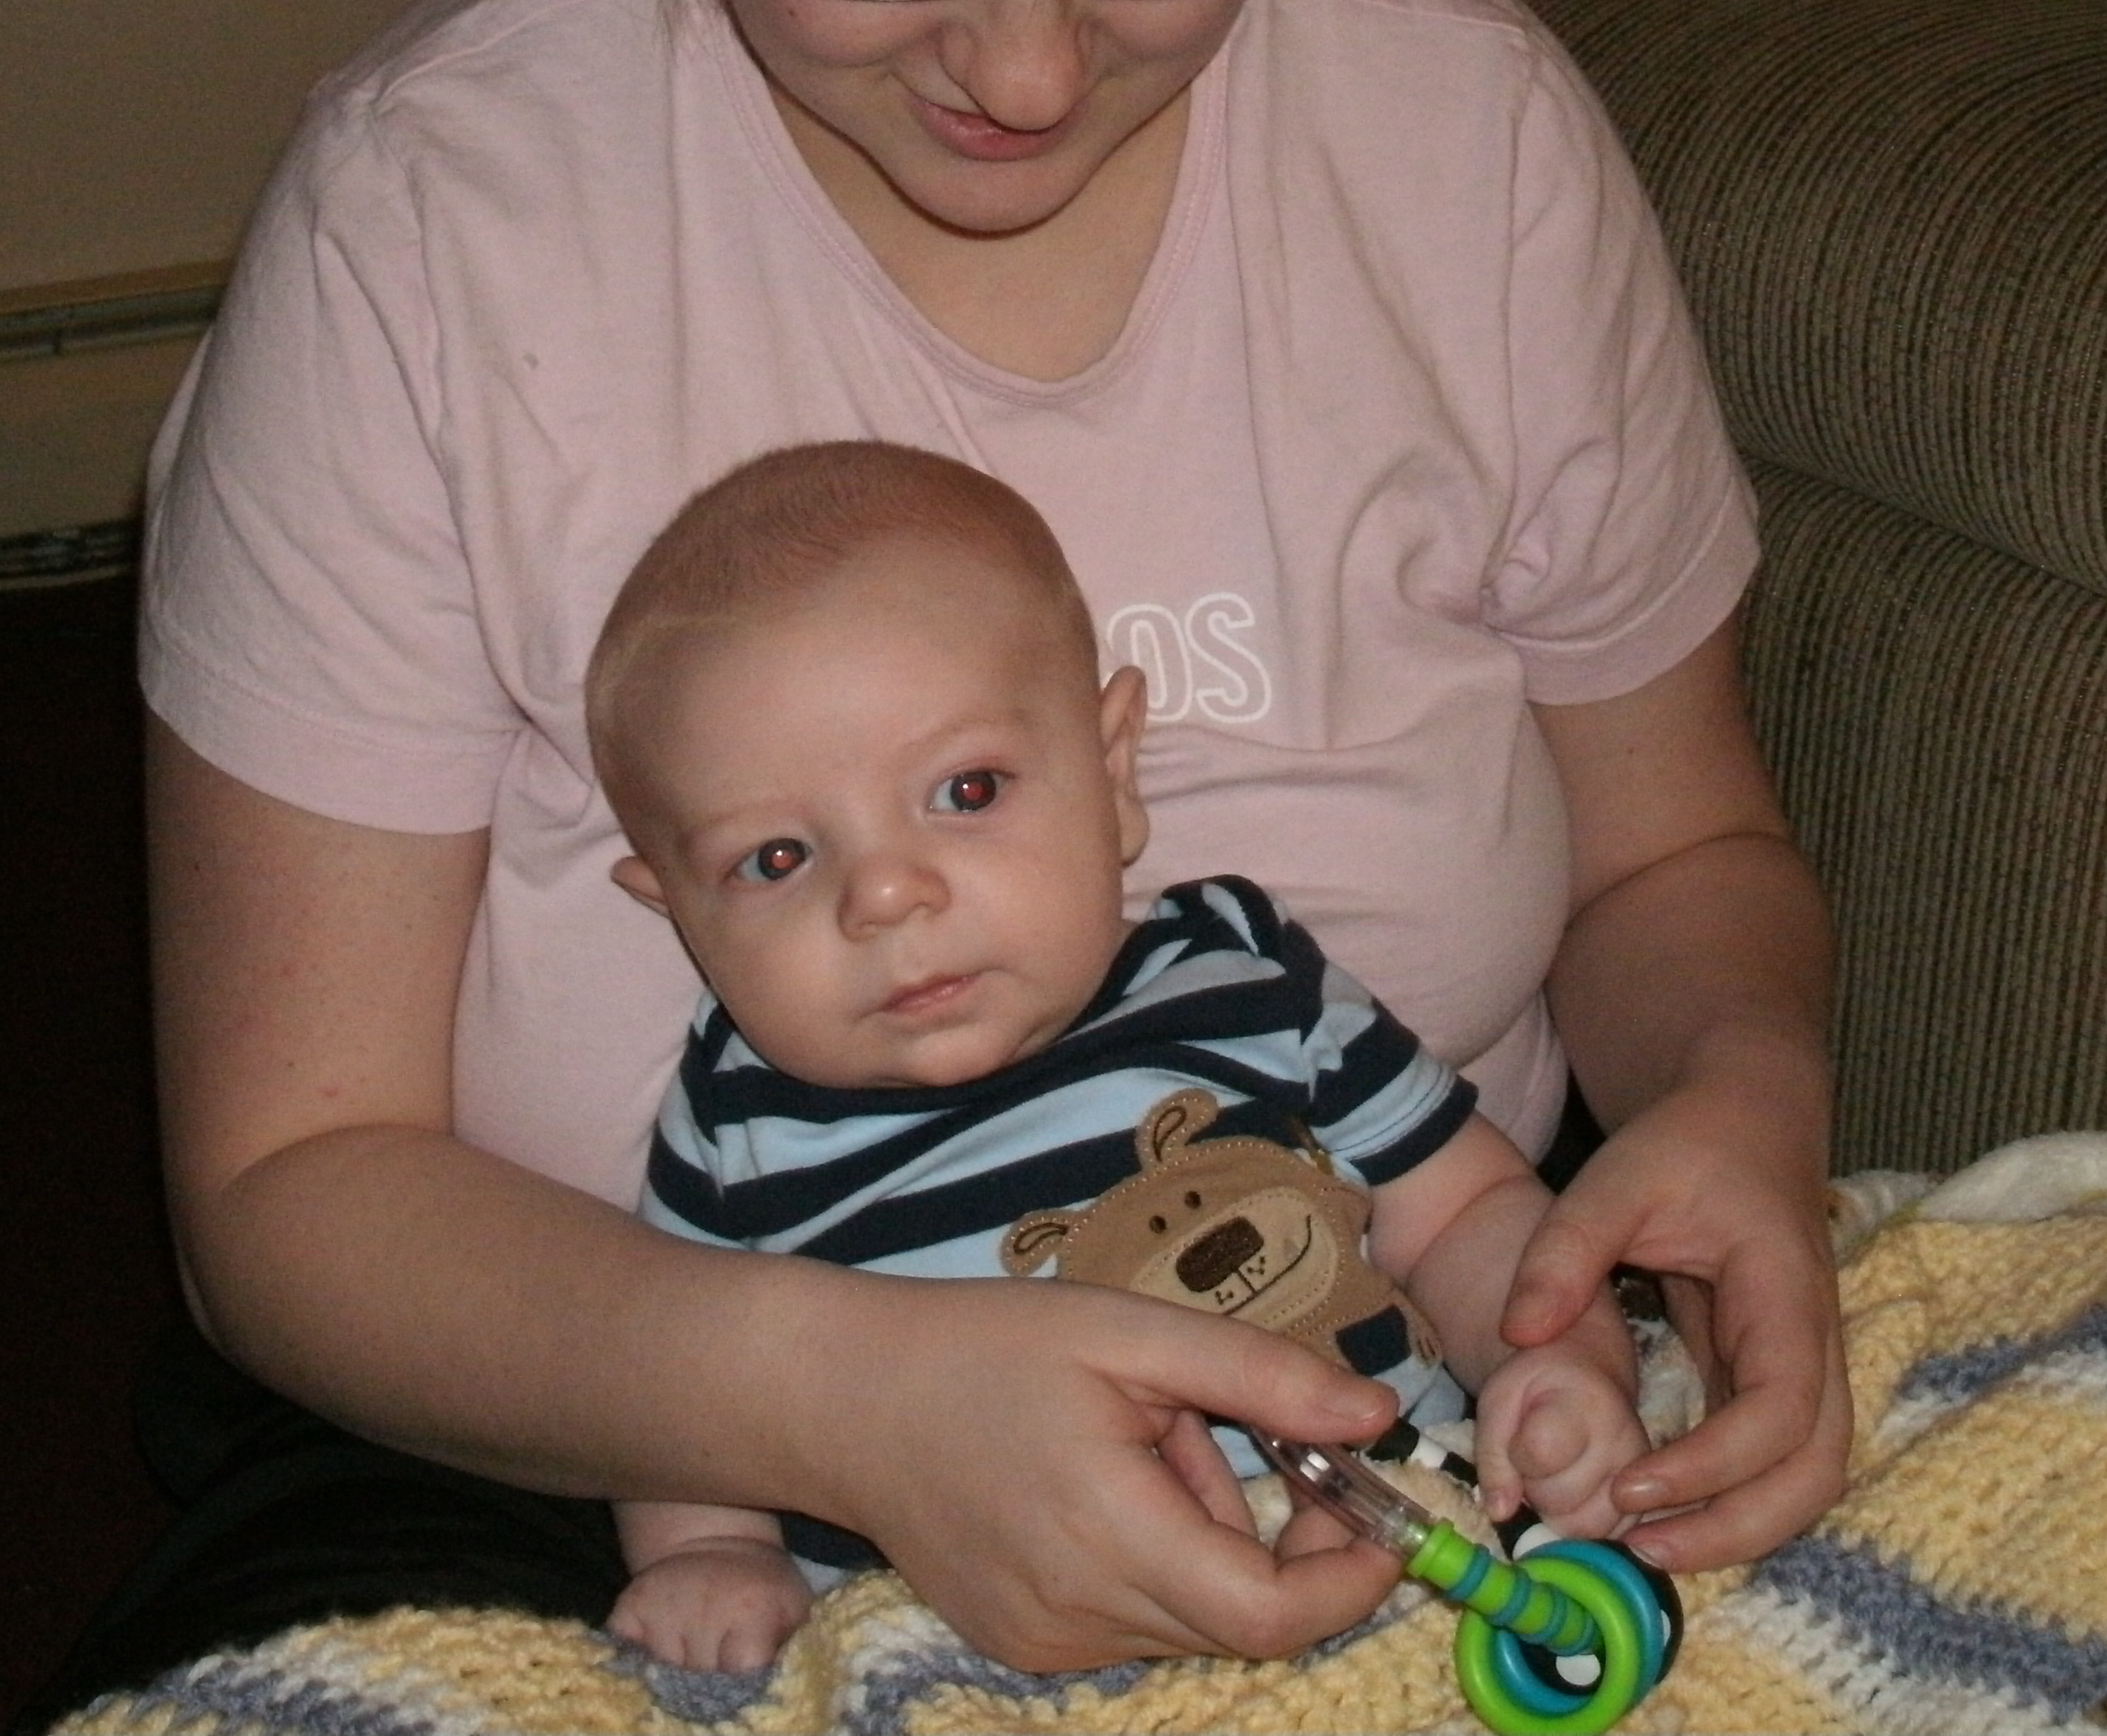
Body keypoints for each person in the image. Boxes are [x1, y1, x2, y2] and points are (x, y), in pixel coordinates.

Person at [36, 0, 1848, 1713]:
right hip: (619, 1446)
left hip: (1403, 1349)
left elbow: (1672, 853)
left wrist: (1742, 1108)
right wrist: (838, 1400)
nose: (1022, 66)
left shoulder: (1472, 144)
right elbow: (291, 1189)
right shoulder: (427, 231)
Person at [587, 442, 1650, 1672]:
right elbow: (680, 1392)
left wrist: (1549, 1362)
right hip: (981, 1646)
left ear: (1112, 768)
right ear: (676, 907)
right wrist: (708, 1553)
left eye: (966, 791)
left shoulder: (1244, 982)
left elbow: (1463, 1212)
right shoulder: (739, 1126)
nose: (885, 893)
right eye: (776, 859)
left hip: (1420, 1563)